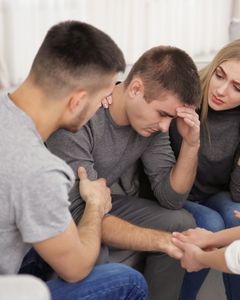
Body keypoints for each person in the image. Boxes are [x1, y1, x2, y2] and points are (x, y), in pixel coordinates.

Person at [0, 20, 148, 300]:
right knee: (129, 281)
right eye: (103, 98)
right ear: (78, 101)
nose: (103, 106)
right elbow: (76, 269)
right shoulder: (38, 170)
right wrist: (95, 204)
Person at [46, 45, 201, 300]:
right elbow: (77, 213)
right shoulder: (81, 116)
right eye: (162, 114)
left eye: (171, 118)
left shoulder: (152, 127)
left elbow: (171, 198)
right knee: (95, 249)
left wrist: (191, 144)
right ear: (136, 89)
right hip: (62, 212)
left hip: (98, 203)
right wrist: (160, 241)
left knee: (181, 223)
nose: (165, 127)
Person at [169, 38, 240, 300]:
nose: (220, 90)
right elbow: (143, 84)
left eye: (237, 87)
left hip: (213, 196)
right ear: (215, 65)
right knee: (212, 224)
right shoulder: (185, 93)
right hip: (173, 194)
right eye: (220, 75)